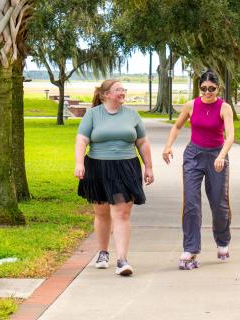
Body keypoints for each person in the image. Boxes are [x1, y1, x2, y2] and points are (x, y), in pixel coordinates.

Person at [75, 79, 154, 276]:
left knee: (122, 213)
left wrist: (149, 167)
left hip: (125, 167)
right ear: (106, 95)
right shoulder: (93, 114)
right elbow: (82, 139)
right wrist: (79, 163)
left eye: (123, 89)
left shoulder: (132, 114)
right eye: (118, 89)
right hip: (98, 166)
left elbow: (142, 142)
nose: (122, 92)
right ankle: (103, 253)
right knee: (101, 212)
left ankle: (122, 260)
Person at [162, 70, 234, 270]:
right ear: (199, 88)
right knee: (191, 202)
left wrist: (221, 156)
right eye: (203, 89)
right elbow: (177, 126)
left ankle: (222, 239)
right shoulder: (191, 105)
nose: (207, 92)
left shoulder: (224, 107)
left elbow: (230, 136)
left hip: (217, 155)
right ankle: (191, 248)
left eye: (211, 89)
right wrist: (168, 145)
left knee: (219, 202)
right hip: (194, 155)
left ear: (218, 88)